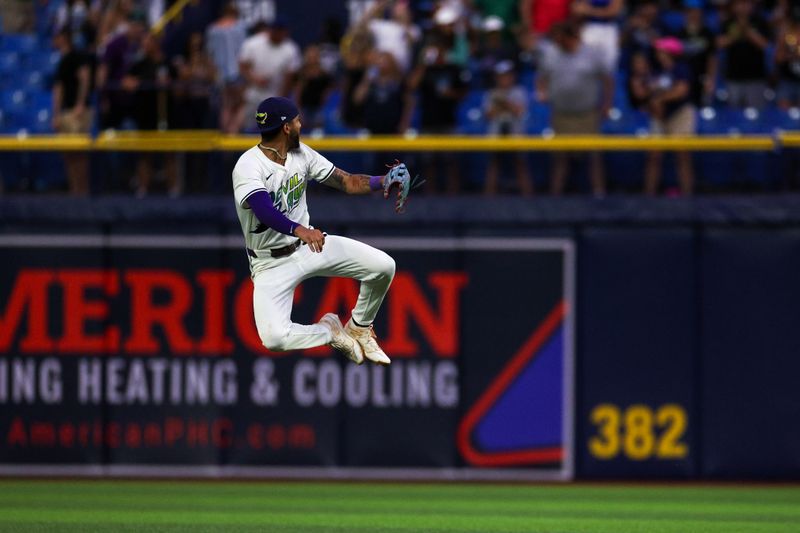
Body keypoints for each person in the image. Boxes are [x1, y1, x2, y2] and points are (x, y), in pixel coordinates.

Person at [232, 96, 410, 365]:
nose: (301, 124)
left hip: (309, 247)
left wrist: (382, 180)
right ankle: (329, 331)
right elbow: (263, 210)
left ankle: (360, 327)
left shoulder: (301, 153)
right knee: (274, 339)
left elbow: (347, 182)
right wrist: (299, 229)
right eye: (297, 120)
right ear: (286, 128)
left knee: (383, 267)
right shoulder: (249, 165)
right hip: (270, 263)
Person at [537, 21, 612, 195]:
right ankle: (556, 196)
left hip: (587, 113)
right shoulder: (551, 54)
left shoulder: (592, 54)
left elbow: (608, 80)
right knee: (560, 158)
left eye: (562, 39)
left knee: (593, 157)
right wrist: (542, 92)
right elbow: (541, 77)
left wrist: (607, 104)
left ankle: (599, 194)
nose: (559, 42)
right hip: (562, 114)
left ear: (572, 38)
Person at [632, 38, 695, 195]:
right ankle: (649, 196)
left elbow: (682, 90)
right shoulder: (655, 70)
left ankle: (688, 196)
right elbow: (642, 93)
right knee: (653, 156)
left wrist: (660, 99)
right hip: (658, 115)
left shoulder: (680, 69)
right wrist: (639, 84)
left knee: (682, 156)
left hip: (680, 114)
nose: (659, 54)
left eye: (662, 50)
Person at [236, 18, 301, 132]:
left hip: (274, 96)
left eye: (281, 31)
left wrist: (281, 99)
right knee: (245, 126)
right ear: (270, 30)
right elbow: (242, 65)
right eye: (275, 30)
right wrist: (255, 79)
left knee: (272, 130)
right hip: (253, 94)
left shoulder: (290, 49)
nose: (277, 34)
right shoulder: (254, 43)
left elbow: (290, 77)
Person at [52, 28, 93, 195]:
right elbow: (59, 89)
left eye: (58, 37)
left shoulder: (77, 56)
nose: (55, 41)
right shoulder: (62, 60)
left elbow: (85, 78)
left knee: (79, 153)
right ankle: (74, 189)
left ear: (64, 38)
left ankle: (82, 190)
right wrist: (56, 115)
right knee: (68, 155)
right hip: (66, 112)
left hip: (77, 111)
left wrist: (80, 103)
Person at [483, 61, 532, 195]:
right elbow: (489, 115)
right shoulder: (491, 93)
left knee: (520, 164)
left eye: (507, 75)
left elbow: (520, 111)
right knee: (493, 165)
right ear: (496, 77)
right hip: (496, 132)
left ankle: (529, 200)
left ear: (512, 76)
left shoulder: (519, 92)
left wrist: (504, 102)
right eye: (501, 76)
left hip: (515, 132)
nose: (504, 79)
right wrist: (501, 105)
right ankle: (488, 200)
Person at [718, 0, 771, 109]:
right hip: (733, 77)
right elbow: (719, 43)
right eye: (739, 3)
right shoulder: (727, 22)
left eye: (746, 3)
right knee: (733, 114)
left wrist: (747, 30)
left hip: (756, 78)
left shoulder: (760, 22)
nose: (743, 7)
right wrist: (737, 32)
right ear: (733, 6)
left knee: (756, 115)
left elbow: (765, 45)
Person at [674, 0, 717, 107]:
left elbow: (712, 58)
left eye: (696, 11)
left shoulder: (707, 33)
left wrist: (711, 79)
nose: (693, 14)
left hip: (701, 78)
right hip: (684, 80)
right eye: (690, 11)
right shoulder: (679, 33)